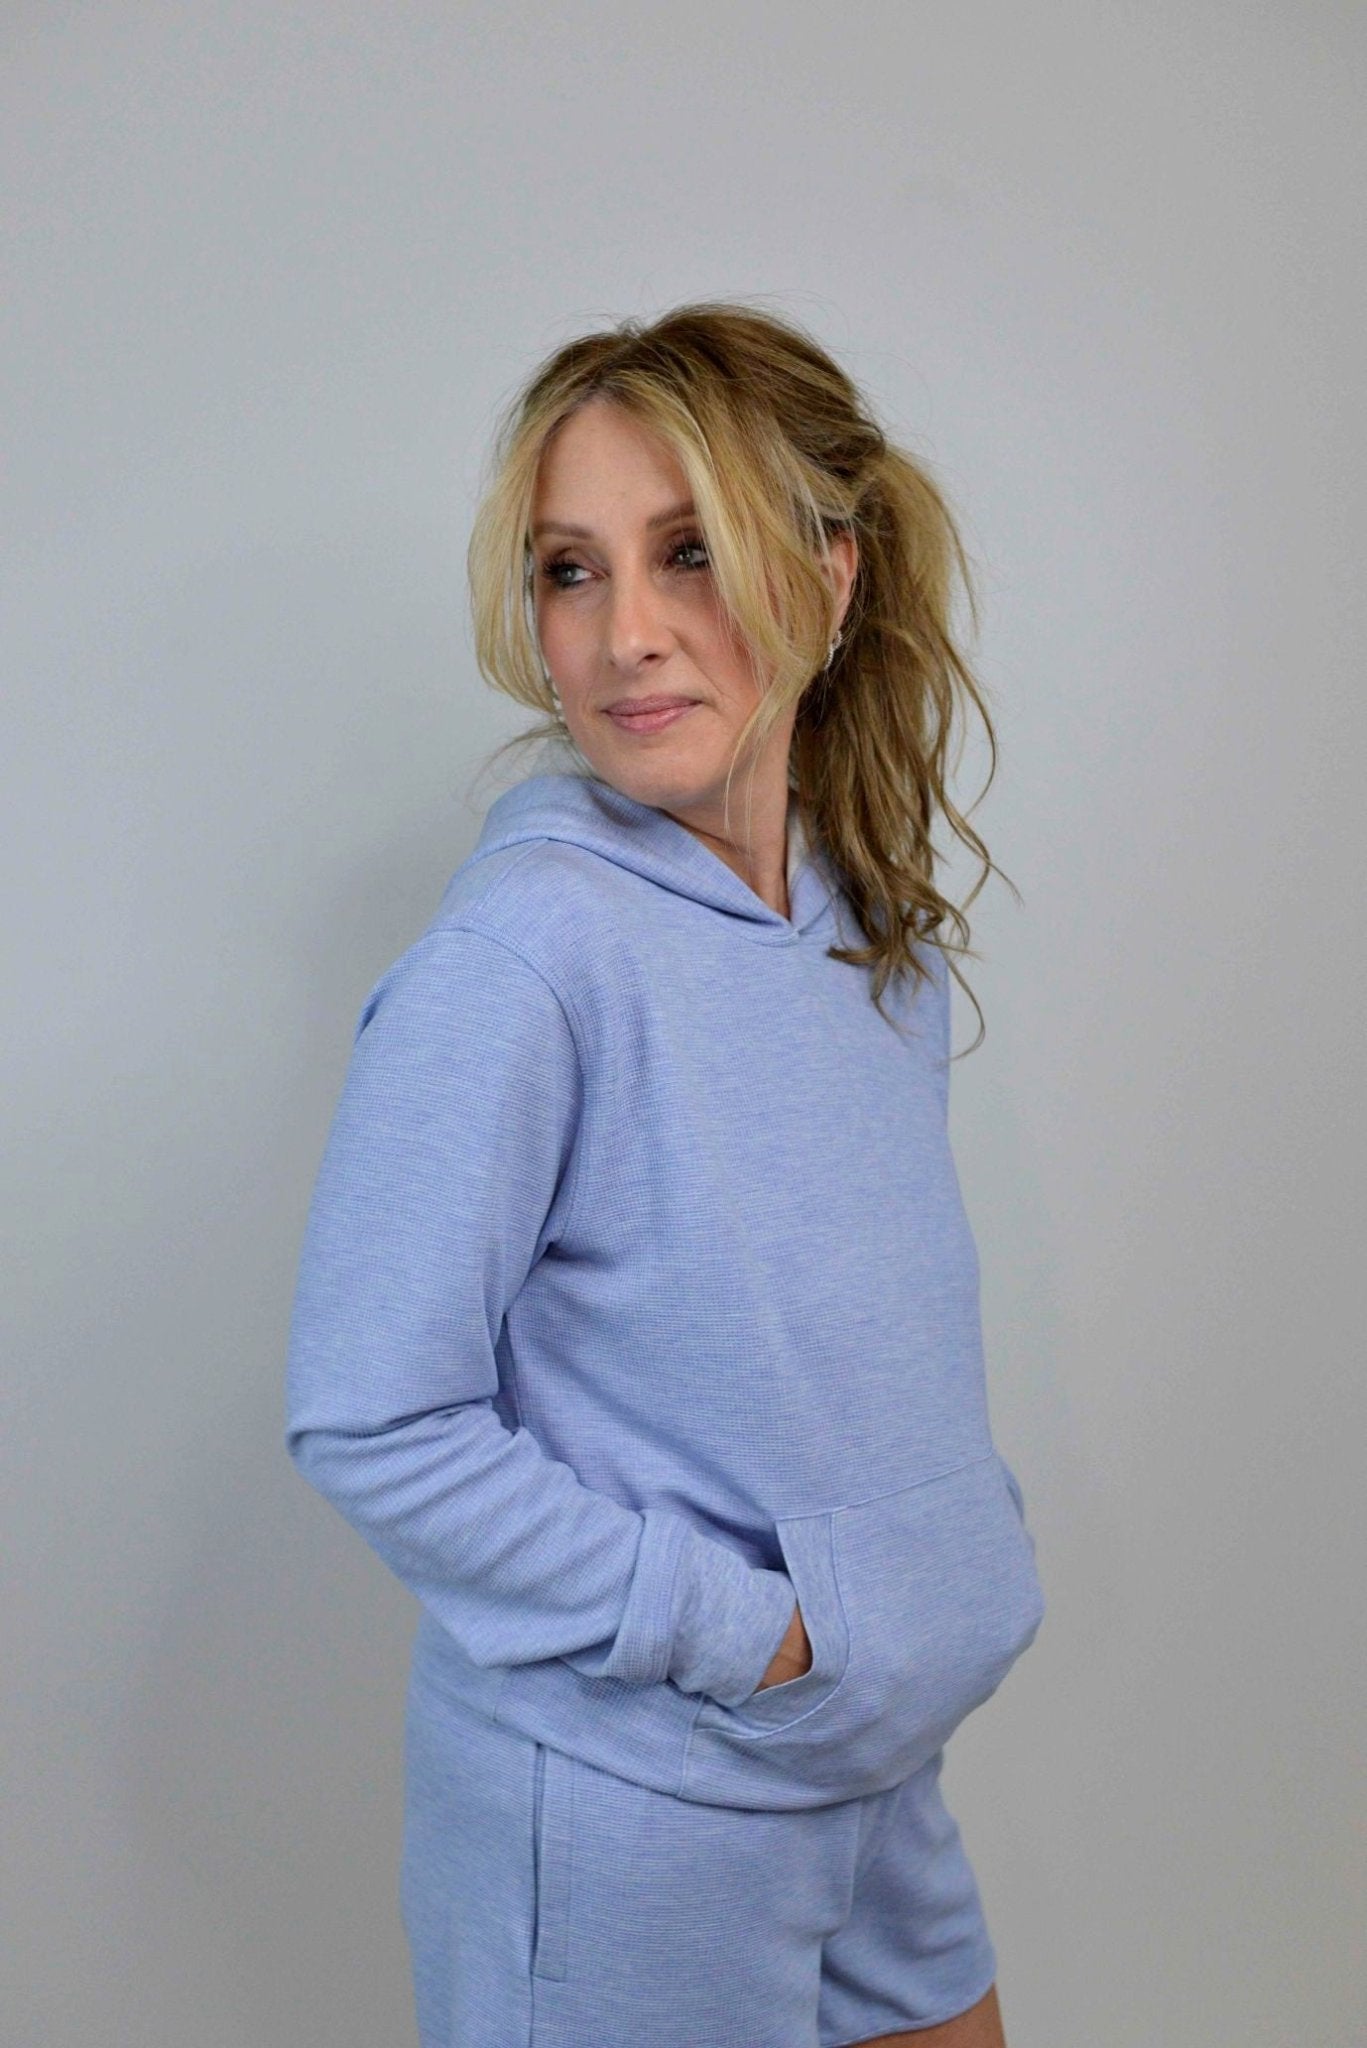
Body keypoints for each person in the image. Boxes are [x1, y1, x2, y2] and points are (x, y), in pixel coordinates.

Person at [284, 299, 1046, 2048]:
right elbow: (370, 1415)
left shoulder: (874, 943)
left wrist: (919, 1591)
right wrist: (750, 1636)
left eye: (689, 551)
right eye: (572, 570)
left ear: (831, 577)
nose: (626, 632)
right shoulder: (525, 960)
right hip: (635, 1808)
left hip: (871, 1772)